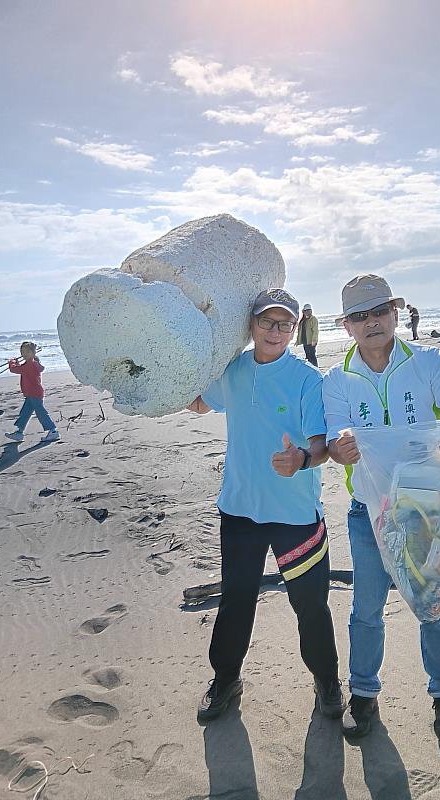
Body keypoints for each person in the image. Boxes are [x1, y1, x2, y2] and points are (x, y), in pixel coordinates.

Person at [322, 274, 440, 743]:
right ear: (346, 326)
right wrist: (340, 447)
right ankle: (363, 696)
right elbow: (335, 433)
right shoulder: (337, 380)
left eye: (379, 312)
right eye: (360, 316)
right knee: (366, 610)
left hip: (432, 508)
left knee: (435, 606)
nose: (371, 322)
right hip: (368, 514)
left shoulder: (429, 363)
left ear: (394, 314)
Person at [188, 288, 345, 723]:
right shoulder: (233, 370)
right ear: (251, 325)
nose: (275, 331)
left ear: (294, 329)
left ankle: (327, 682)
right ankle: (226, 680)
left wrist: (301, 459)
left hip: (295, 515)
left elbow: (322, 445)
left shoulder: (307, 379)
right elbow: (199, 402)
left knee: (310, 606)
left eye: (284, 324)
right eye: (266, 322)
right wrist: (163, 375)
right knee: (236, 600)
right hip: (239, 509)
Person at [5, 341, 60, 443]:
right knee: (25, 413)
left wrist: (12, 362)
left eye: (27, 352)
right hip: (32, 394)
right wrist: (16, 363)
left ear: (33, 353)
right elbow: (22, 368)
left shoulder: (30, 364)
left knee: (41, 413)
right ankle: (19, 433)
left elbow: (15, 369)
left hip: (34, 394)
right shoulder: (31, 363)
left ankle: (53, 431)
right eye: (22, 352)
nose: (24, 354)